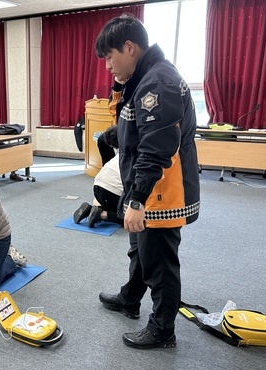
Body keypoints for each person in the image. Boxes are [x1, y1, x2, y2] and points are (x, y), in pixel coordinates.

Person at [94, 16, 200, 349]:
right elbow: (143, 127)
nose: (108, 65)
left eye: (110, 56)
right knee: (140, 250)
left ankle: (162, 329)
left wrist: (137, 199)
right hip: (149, 186)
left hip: (161, 191)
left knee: (159, 261)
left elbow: (156, 148)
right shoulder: (145, 79)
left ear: (130, 47)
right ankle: (130, 298)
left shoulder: (158, 83)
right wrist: (116, 134)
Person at [73, 125, 123, 228]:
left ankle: (90, 210)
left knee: (114, 204)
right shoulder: (135, 156)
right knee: (134, 216)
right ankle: (101, 215)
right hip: (110, 192)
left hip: (97, 186)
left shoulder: (120, 153)